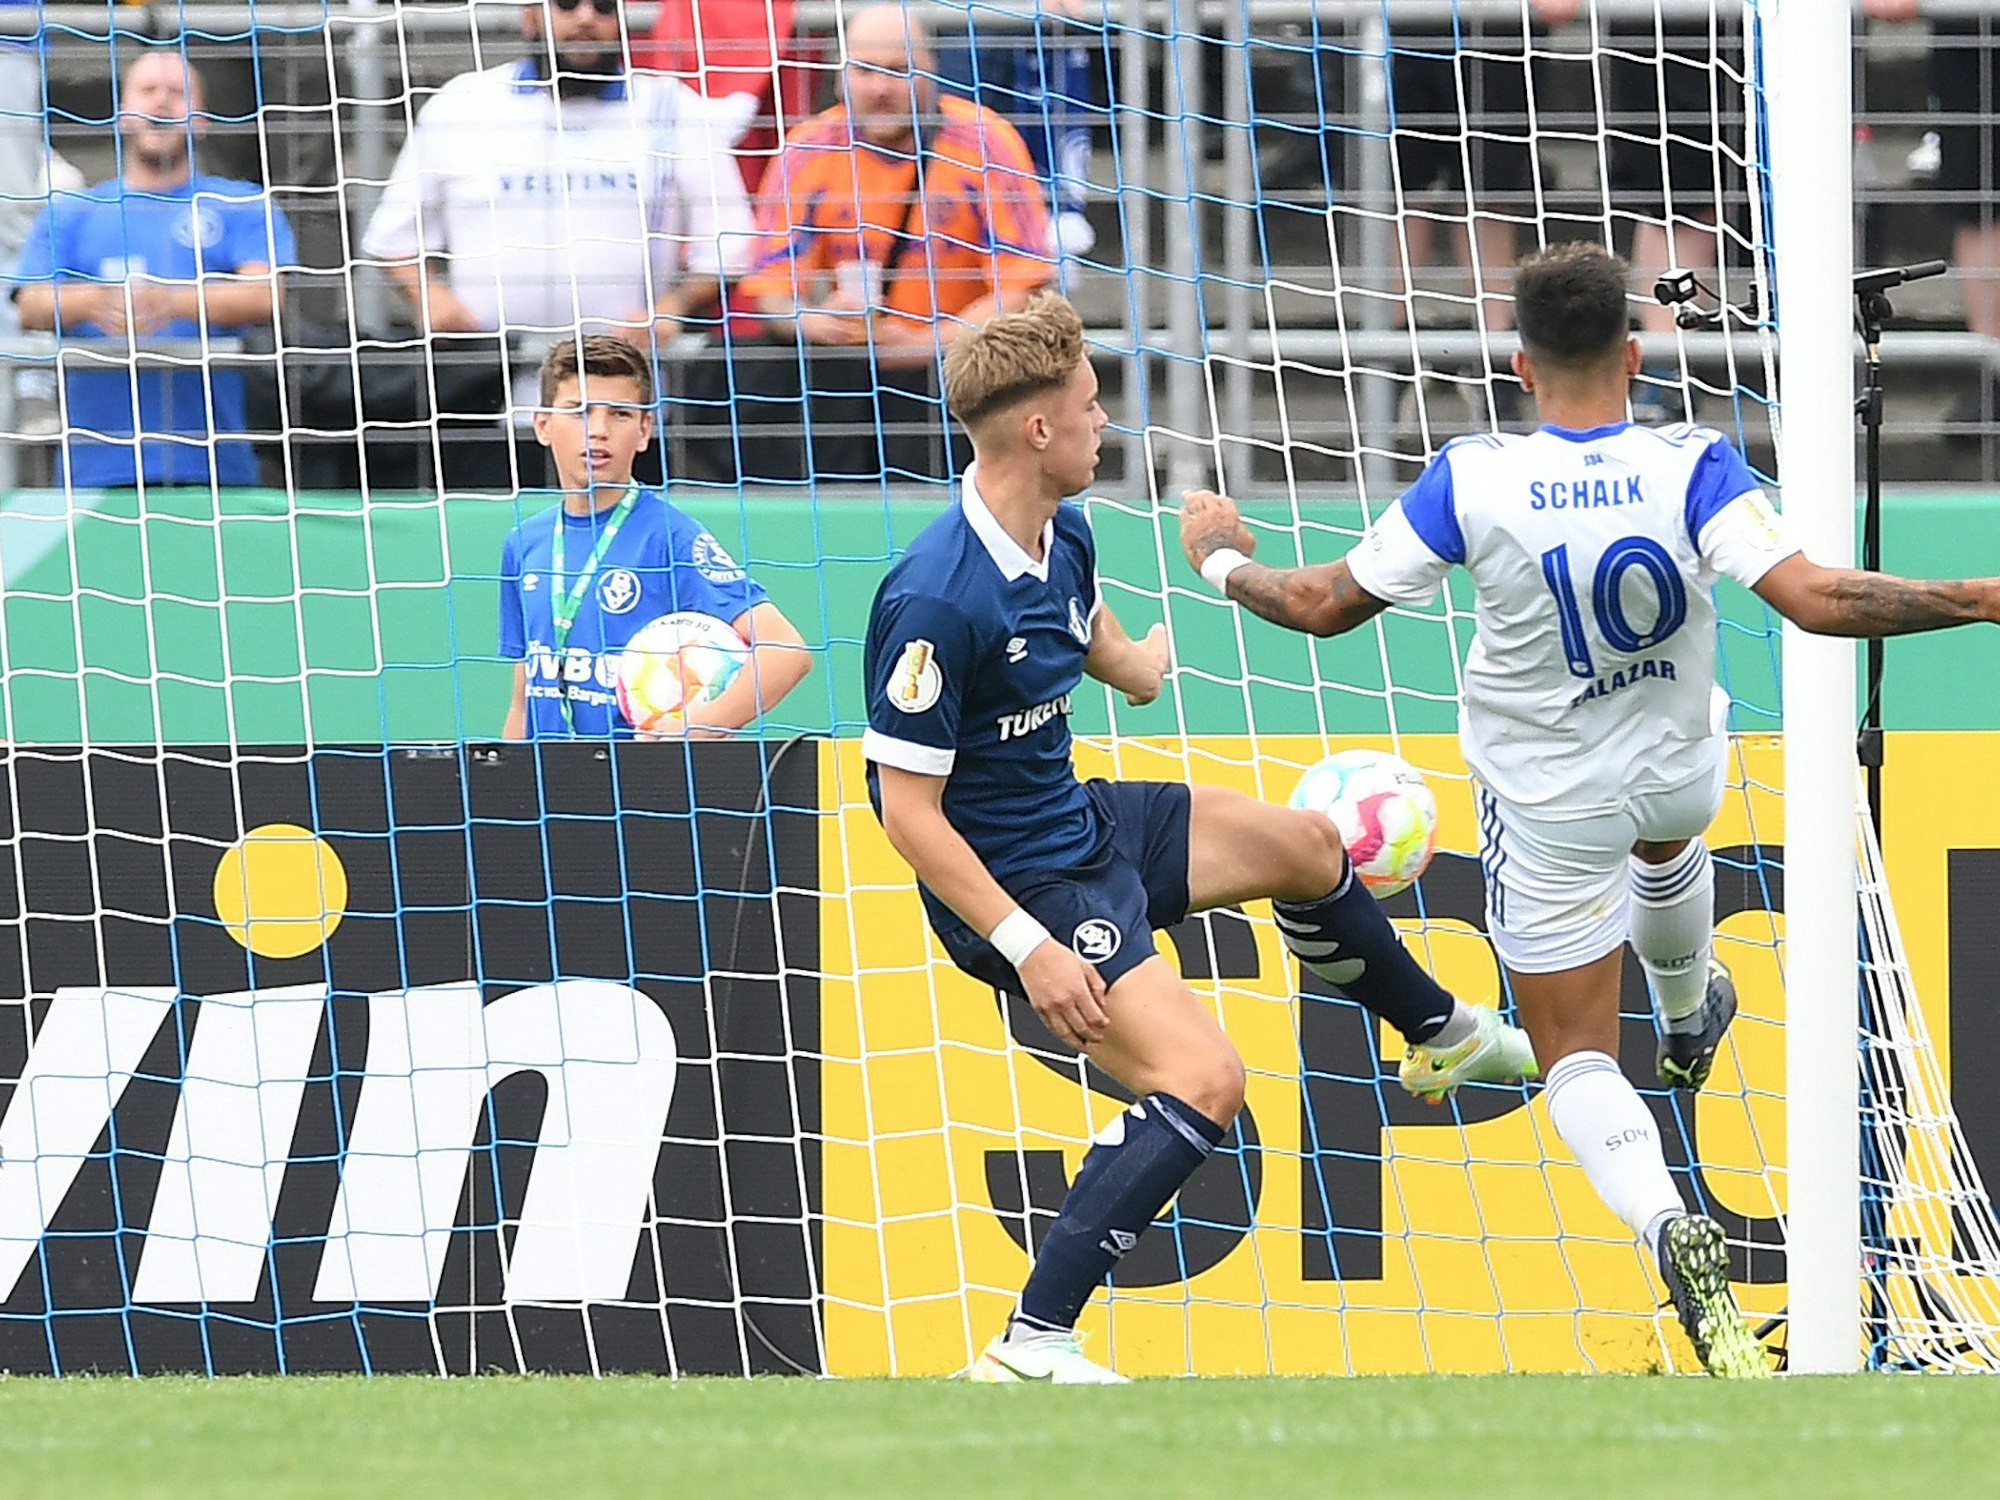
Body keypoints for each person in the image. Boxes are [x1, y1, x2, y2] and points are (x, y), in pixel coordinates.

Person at [1178, 241, 2000, 1378]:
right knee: (1667, 823)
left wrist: (1220, 558)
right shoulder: (1694, 462)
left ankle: (1671, 1227)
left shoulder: (1472, 477)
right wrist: (1977, 596)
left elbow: (1320, 609)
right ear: (1635, 348)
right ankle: (1683, 1010)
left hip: (1546, 802)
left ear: (1517, 365)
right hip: (1677, 768)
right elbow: (1814, 601)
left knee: (1569, 1054)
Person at [862, 292, 1535, 1384]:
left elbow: (1075, 625)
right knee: (1205, 1079)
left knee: (1310, 846)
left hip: (1080, 826)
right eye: (1088, 407)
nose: (1103, 425)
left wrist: (1129, 663)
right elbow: (905, 811)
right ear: (1036, 429)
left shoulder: (1058, 528)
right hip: (1021, 892)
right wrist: (1029, 946)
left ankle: (1439, 1032)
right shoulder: (935, 599)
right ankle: (1030, 1344)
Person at [362, 0, 759, 484]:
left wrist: (671, 307)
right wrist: (429, 297)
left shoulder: (670, 107)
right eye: (566, 4)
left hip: (622, 410)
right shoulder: (464, 103)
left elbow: (731, 240)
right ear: (530, 15)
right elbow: (392, 236)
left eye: (604, 6)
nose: (586, 18)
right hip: (486, 404)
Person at [702, 2, 1054, 482]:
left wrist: (925, 342)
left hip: (961, 363)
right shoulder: (810, 148)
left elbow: (1023, 288)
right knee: (729, 371)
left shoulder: (985, 141)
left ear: (931, 72)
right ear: (841, 75)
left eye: (898, 71)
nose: (880, 89)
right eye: (865, 71)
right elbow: (771, 290)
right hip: (849, 363)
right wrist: (814, 320)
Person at [499, 334, 810, 740]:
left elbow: (787, 651)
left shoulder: (670, 537)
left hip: (642, 790)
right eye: (579, 412)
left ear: (646, 430)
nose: (598, 431)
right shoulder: (525, 543)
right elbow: (523, 702)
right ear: (542, 425)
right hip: (546, 792)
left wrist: (701, 724)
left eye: (620, 415)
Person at [10, 50, 294, 488]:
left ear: (201, 120)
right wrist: (95, 301)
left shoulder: (241, 203)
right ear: (123, 114)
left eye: (177, 93)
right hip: (96, 468)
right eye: (147, 91)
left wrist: (170, 302)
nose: (161, 102)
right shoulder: (73, 211)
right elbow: (29, 305)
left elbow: (266, 294)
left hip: (213, 466)